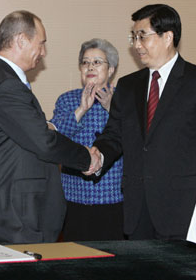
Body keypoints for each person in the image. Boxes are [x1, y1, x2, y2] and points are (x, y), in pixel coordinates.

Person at [92, 4, 196, 240]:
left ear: (168, 37)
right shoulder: (128, 86)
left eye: (142, 36)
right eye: (133, 37)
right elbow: (114, 135)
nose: (136, 45)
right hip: (138, 210)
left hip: (185, 213)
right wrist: (97, 157)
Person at [0, 10, 100, 245]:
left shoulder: (3, 80)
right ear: (21, 40)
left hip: (14, 212)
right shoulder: (7, 85)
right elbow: (43, 142)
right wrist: (86, 158)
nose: (43, 52)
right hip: (9, 215)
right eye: (41, 43)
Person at [49, 38, 124, 241]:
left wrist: (112, 109)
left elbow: (133, 139)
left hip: (114, 198)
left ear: (111, 70)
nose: (90, 67)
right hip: (74, 197)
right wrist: (80, 110)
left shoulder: (124, 99)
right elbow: (53, 140)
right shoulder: (67, 100)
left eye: (97, 62)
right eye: (85, 62)